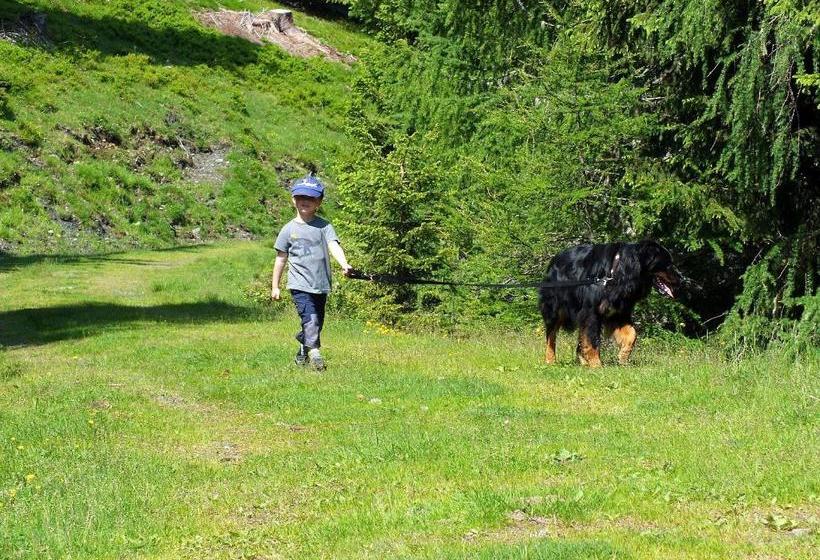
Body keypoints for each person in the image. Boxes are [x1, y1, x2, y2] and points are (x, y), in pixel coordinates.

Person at [271, 175, 352, 370]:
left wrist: (344, 264)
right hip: (299, 285)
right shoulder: (288, 229)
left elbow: (333, 245)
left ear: (319, 202)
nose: (305, 201)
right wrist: (275, 286)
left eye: (311, 198)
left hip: (321, 284)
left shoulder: (324, 226)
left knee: (317, 322)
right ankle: (315, 355)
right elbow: (281, 258)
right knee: (311, 318)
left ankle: (303, 343)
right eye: (300, 197)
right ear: (293, 200)